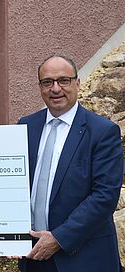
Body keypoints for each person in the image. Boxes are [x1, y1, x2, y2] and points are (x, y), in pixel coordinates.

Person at [18, 55, 123, 272]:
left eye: (63, 80)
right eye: (47, 82)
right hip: (33, 256)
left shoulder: (102, 132)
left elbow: (104, 197)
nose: (55, 88)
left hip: (83, 257)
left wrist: (59, 238)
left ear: (77, 83)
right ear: (40, 87)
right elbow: (13, 183)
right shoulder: (26, 126)